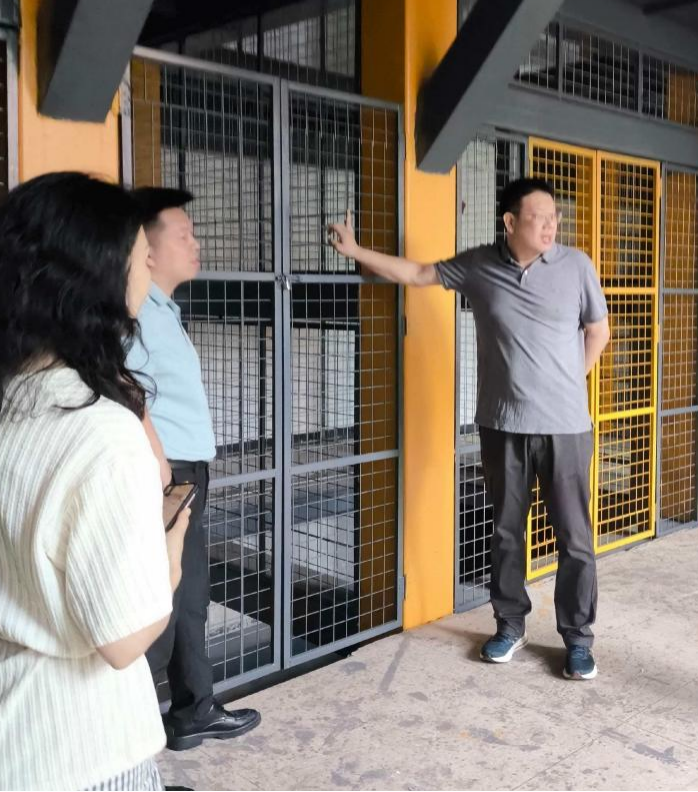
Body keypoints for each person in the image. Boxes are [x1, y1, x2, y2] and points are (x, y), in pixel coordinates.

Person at [0, 172, 189, 790]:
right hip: (75, 753)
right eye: (139, 256)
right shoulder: (98, 432)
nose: (149, 265)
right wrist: (172, 539)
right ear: (96, 280)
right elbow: (125, 639)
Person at [328, 177, 611, 680]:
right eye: (539, 217)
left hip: (566, 427)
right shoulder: (480, 265)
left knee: (574, 538)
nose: (550, 226)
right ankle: (510, 624)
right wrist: (355, 251)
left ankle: (577, 639)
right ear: (510, 222)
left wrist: (570, 381)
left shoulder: (577, 266)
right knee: (506, 532)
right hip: (502, 424)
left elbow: (598, 331)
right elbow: (418, 273)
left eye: (554, 217)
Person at [129, 187, 261, 750]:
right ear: (145, 250)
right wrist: (161, 471)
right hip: (166, 473)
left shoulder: (162, 309)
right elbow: (126, 396)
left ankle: (193, 710)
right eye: (183, 235)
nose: (195, 243)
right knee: (156, 602)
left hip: (185, 472)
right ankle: (132, 742)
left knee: (189, 597)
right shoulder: (135, 313)